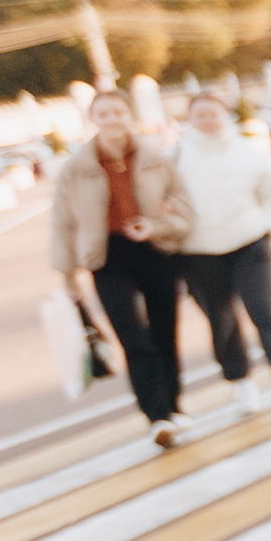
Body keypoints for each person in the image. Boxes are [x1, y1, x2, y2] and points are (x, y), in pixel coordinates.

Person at [51, 88, 195, 445]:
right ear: (93, 120)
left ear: (129, 115)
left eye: (118, 112)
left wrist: (156, 227)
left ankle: (174, 405)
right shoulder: (76, 168)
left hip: (155, 251)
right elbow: (63, 223)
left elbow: (184, 207)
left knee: (165, 332)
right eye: (104, 114)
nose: (112, 120)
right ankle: (156, 416)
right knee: (132, 337)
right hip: (107, 258)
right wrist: (67, 274)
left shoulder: (155, 158)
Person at [173, 89, 271, 414]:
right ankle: (241, 382)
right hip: (198, 251)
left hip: (250, 242)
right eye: (201, 115)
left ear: (225, 115)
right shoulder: (176, 157)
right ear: (190, 119)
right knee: (221, 319)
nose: (208, 120)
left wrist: (270, 227)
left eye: (213, 113)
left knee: (265, 313)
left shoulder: (248, 152)